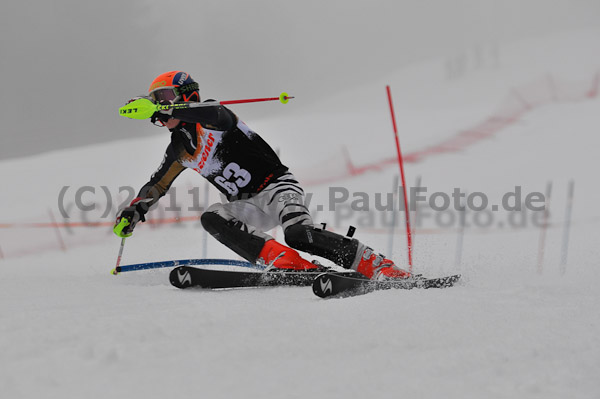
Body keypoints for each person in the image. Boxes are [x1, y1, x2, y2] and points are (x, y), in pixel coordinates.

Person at [113, 70, 411, 280]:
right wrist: (134, 211)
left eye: (164, 96)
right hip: (246, 204)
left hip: (278, 188)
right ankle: (287, 263)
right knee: (212, 217)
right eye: (156, 100)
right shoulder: (179, 148)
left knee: (297, 234)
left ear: (185, 94)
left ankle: (376, 265)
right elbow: (157, 184)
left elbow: (216, 114)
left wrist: (170, 105)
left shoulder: (212, 116)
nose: (160, 106)